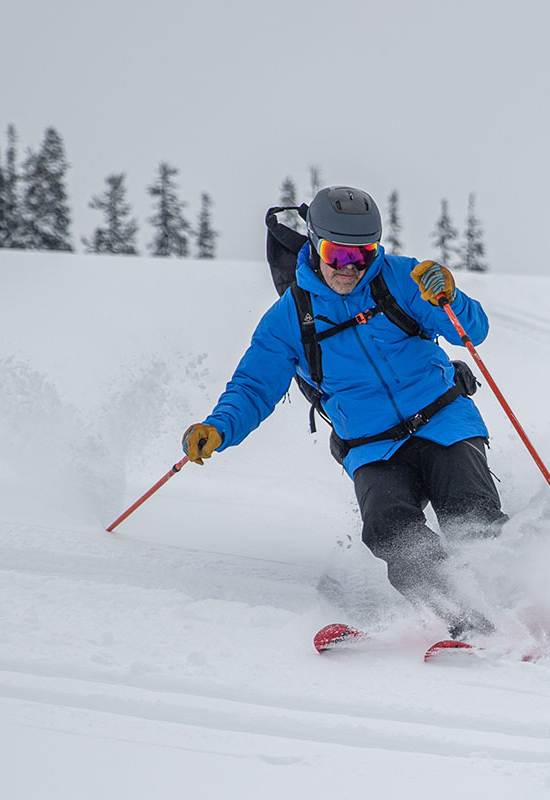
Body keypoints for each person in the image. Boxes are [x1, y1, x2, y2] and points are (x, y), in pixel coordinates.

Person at [182, 186, 508, 638]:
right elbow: (254, 387)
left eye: (362, 254)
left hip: (443, 420)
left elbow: (474, 331)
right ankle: (467, 623)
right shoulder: (289, 318)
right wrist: (219, 428)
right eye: (337, 255)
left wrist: (450, 297)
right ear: (314, 244)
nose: (350, 268)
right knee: (392, 531)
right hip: (372, 446)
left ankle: (515, 607)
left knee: (472, 516)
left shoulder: (405, 279)